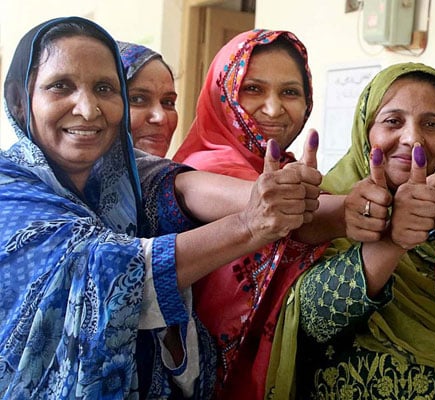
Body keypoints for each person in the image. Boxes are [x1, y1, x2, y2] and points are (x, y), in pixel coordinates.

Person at [0, 17, 322, 399]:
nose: (87, 109)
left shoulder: (123, 174)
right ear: (21, 102)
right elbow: (110, 268)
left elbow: (187, 187)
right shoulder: (10, 192)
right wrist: (251, 226)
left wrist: (359, 206)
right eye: (60, 87)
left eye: (105, 88)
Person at [266, 63, 435, 400]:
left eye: (431, 124)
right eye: (392, 121)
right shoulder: (321, 205)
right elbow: (310, 319)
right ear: (365, 128)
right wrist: (393, 239)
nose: (412, 138)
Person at [172, 29, 335, 399]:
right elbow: (287, 209)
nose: (274, 109)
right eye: (254, 89)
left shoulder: (289, 169)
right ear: (223, 93)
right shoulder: (206, 166)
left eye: (290, 92)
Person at [118, 41, 178, 157]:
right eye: (137, 99)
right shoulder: (78, 174)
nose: (161, 117)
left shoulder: (179, 174)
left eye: (168, 102)